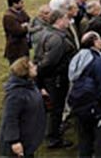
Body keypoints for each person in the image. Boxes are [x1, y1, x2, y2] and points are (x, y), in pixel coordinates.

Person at [68, 31, 101, 158]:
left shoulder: (77, 59)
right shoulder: (97, 62)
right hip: (98, 107)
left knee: (85, 141)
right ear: (94, 43)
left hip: (80, 106)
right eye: (99, 40)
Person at [34, 9, 77, 149]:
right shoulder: (57, 39)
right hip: (56, 79)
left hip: (50, 78)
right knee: (56, 109)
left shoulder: (46, 33)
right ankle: (54, 138)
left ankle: (54, 131)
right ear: (58, 20)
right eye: (65, 18)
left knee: (55, 108)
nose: (68, 21)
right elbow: (49, 62)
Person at [0, 57, 46, 158]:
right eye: (32, 67)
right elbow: (10, 118)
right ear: (25, 72)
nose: (36, 67)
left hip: (27, 139)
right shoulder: (16, 95)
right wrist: (14, 141)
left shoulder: (29, 84)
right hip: (18, 146)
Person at [3, 0, 30, 65]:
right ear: (14, 4)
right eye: (21, 2)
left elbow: (27, 19)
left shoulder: (21, 12)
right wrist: (26, 27)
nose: (23, 4)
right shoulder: (9, 17)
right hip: (15, 49)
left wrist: (24, 25)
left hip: (23, 47)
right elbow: (18, 31)